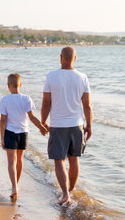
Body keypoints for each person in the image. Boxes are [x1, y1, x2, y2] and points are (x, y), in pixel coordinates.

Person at [41, 46, 93, 205]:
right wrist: (89, 126)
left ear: (60, 57)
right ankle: (70, 190)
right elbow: (87, 106)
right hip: (77, 125)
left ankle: (65, 194)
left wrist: (43, 121)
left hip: (58, 125)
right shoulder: (82, 77)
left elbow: (46, 103)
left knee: (59, 161)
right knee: (74, 160)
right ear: (75, 59)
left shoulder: (51, 76)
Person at [0, 73, 48, 201]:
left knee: (11, 161)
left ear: (8, 86)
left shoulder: (5, 100)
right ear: (20, 85)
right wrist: (41, 127)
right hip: (23, 133)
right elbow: (31, 117)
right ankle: (16, 185)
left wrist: (2, 138)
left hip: (10, 132)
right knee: (19, 160)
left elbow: (3, 120)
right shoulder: (26, 98)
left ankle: (14, 186)